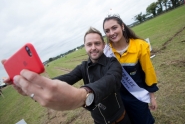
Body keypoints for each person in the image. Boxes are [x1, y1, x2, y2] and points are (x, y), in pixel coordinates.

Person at [2, 27, 131, 124]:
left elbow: (111, 81)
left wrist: (84, 94)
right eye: (89, 44)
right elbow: (68, 78)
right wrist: (38, 84)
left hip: (120, 119)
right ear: (85, 47)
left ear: (103, 45)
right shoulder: (83, 66)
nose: (93, 47)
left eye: (97, 43)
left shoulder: (112, 63)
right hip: (98, 121)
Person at [103, 14, 159, 124]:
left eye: (114, 28)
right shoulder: (106, 52)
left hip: (137, 97)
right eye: (107, 31)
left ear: (122, 26)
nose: (111, 33)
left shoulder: (140, 46)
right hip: (118, 99)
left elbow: (148, 72)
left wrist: (152, 97)